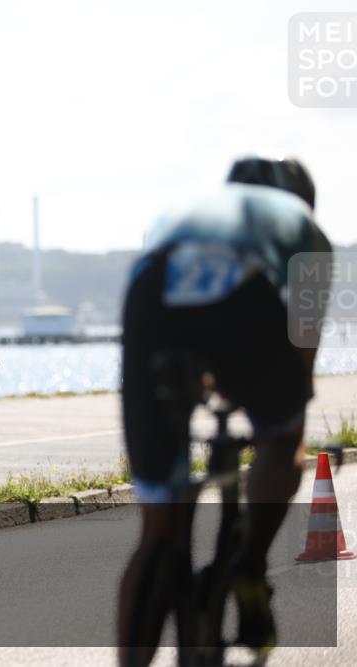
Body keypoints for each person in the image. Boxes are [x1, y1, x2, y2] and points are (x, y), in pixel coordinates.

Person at [117, 157, 333, 665]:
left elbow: (183, 298)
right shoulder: (306, 230)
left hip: (149, 293)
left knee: (157, 528)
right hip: (247, 303)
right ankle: (250, 567)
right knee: (284, 438)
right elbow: (303, 356)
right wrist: (267, 412)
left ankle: (158, 553)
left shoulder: (191, 206)